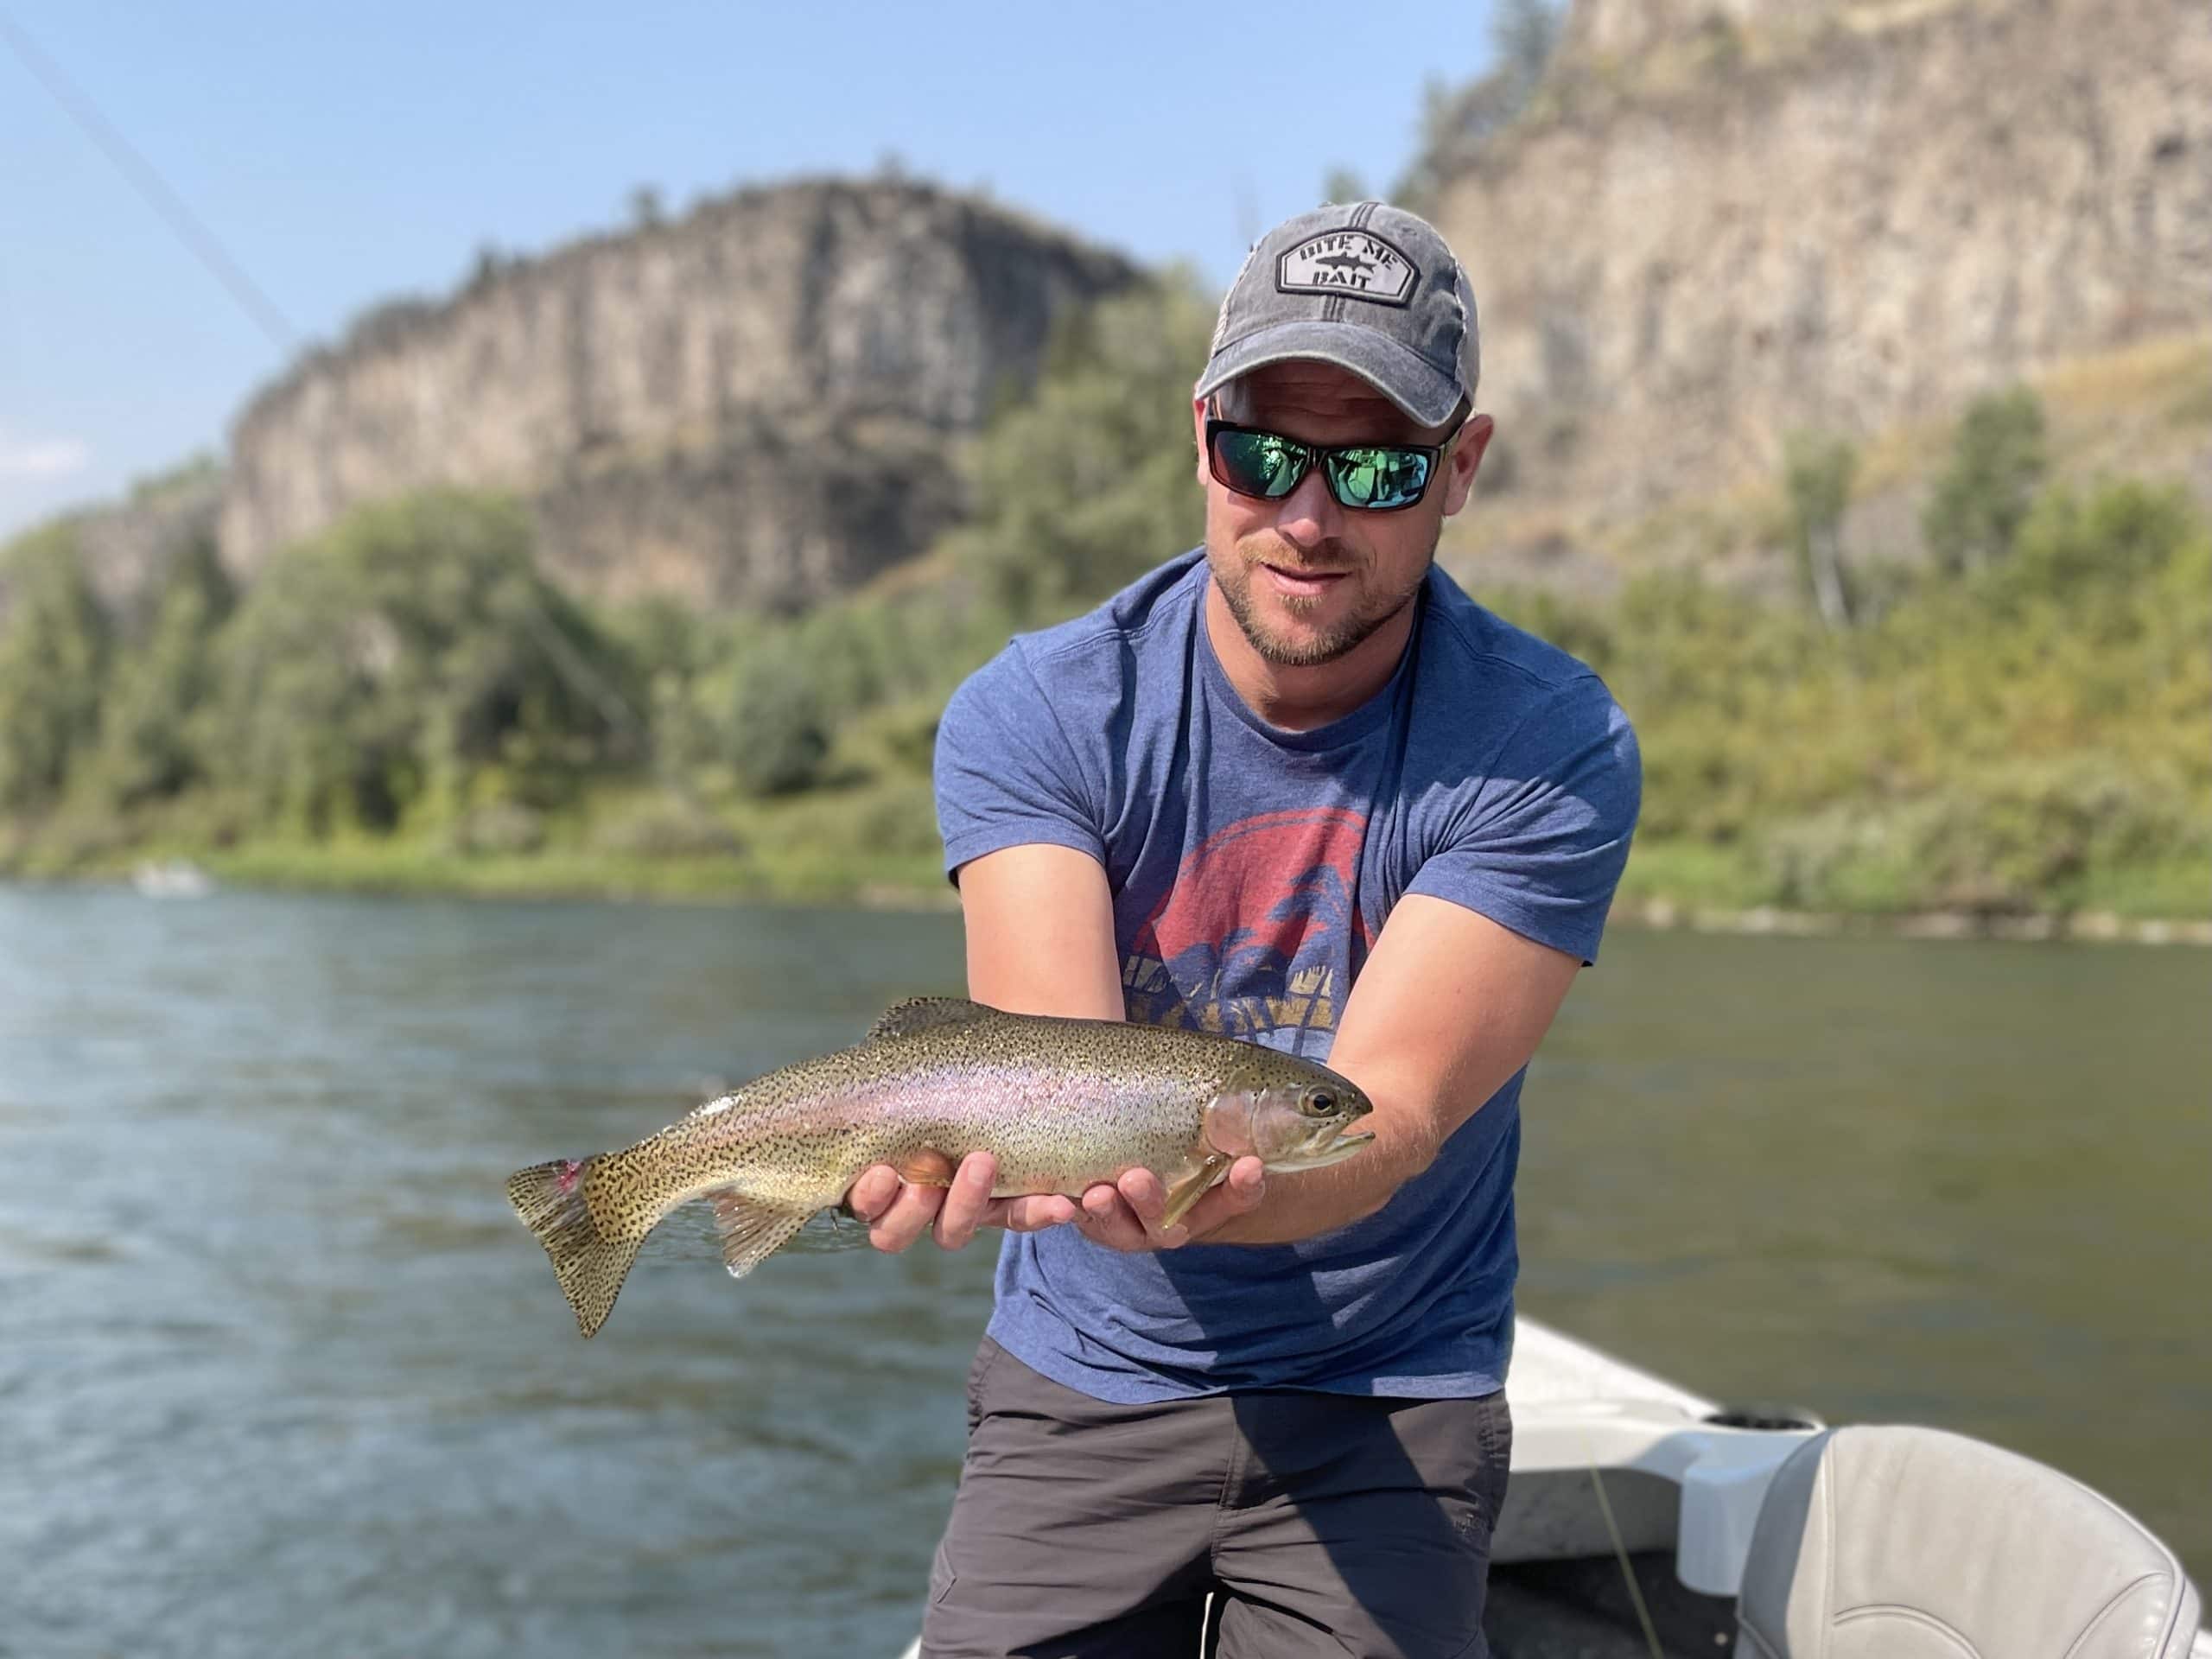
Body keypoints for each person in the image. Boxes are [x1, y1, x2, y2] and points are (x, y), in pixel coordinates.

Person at [845, 201, 1642, 1658]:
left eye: (1378, 464)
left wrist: (1211, 1191)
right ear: (1202, 435)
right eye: (1264, 452)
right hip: (1082, 1369)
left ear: (1461, 467)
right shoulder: (1036, 714)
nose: (1308, 516)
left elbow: (1386, 1117)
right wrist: (915, 1162)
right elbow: (1050, 1071)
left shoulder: (1546, 743)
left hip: (1390, 1388)